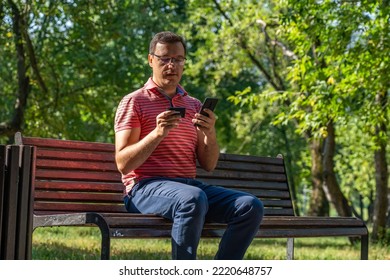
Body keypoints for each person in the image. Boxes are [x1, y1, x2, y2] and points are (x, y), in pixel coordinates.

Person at [114, 31, 264, 260]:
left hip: (188, 187)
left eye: (178, 59)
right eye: (164, 59)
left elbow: (209, 164)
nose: (171, 65)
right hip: (143, 189)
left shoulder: (193, 105)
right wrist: (157, 133)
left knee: (250, 206)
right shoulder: (134, 101)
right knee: (191, 198)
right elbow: (123, 164)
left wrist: (209, 133)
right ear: (151, 60)